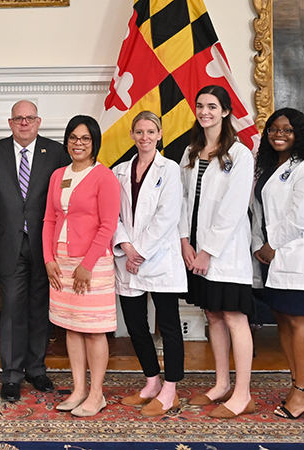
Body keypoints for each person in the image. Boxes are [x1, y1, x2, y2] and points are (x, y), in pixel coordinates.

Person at [0, 100, 70, 402]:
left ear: (39, 121)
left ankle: (36, 369)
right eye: (18, 119)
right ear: (10, 122)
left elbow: (62, 202)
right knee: (13, 310)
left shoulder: (56, 152)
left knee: (40, 309)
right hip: (8, 246)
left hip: (44, 246)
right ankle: (12, 375)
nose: (24, 123)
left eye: (29, 118)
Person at [250, 108, 304, 420]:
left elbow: (302, 216)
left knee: (299, 321)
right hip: (270, 256)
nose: (279, 135)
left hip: (296, 254)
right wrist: (260, 246)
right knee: (283, 319)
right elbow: (259, 212)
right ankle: (298, 383)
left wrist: (272, 245)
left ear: (299, 133)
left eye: (287, 130)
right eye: (274, 129)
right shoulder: (265, 166)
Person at [178, 85, 255, 419]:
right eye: (200, 106)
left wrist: (208, 251)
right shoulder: (191, 151)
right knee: (212, 315)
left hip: (224, 252)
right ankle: (221, 383)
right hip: (195, 249)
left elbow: (234, 207)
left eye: (212, 106)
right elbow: (180, 201)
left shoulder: (239, 154)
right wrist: (185, 242)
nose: (204, 111)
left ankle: (243, 393)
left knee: (235, 317)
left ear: (225, 111)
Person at [43, 115, 120, 418]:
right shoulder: (57, 174)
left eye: (85, 138)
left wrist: (87, 265)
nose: (78, 143)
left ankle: (97, 394)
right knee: (71, 327)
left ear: (94, 143)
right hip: (61, 262)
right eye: (73, 137)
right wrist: (49, 259)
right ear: (67, 141)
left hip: (93, 264)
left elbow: (108, 225)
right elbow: (49, 219)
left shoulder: (105, 177)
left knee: (93, 329)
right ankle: (78, 389)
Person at [112, 111, 186, 417]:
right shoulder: (118, 171)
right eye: (139, 132)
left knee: (168, 326)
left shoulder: (169, 170)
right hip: (127, 258)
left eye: (150, 132)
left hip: (159, 259)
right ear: (132, 135)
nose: (145, 137)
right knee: (135, 325)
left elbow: (168, 216)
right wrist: (126, 247)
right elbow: (111, 215)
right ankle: (152, 381)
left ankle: (171, 390)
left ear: (159, 135)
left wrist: (139, 252)